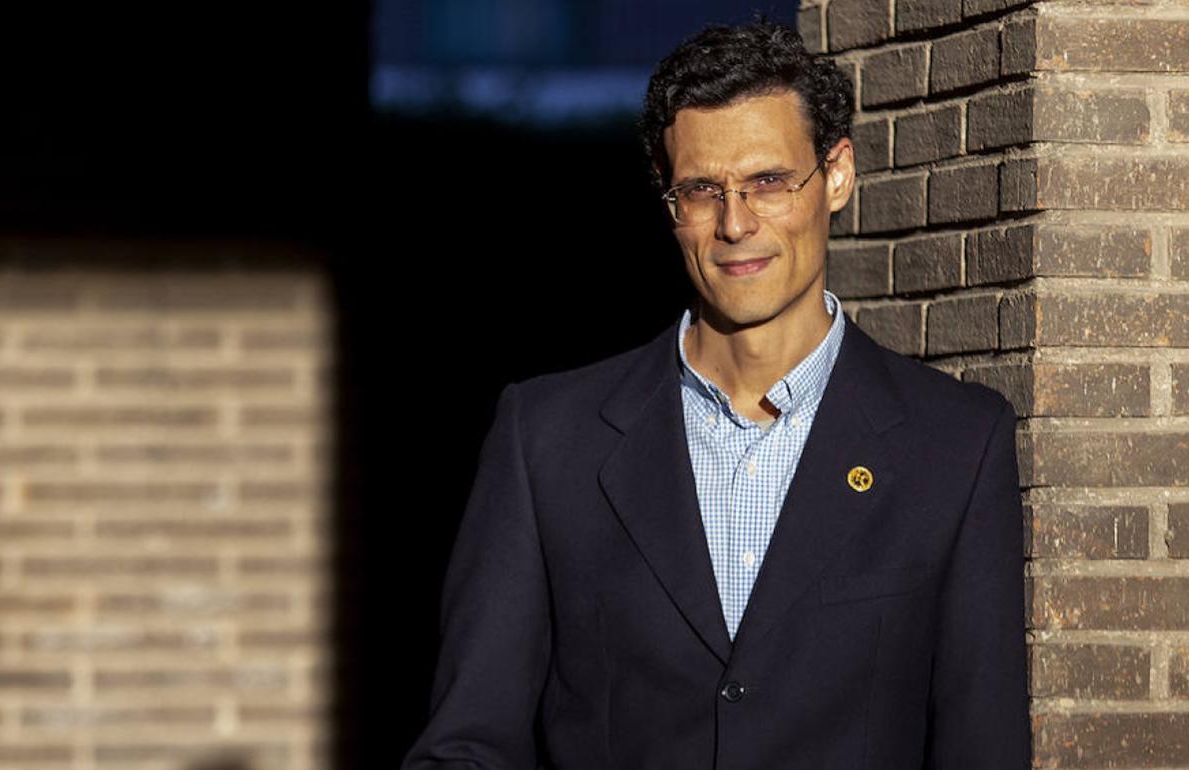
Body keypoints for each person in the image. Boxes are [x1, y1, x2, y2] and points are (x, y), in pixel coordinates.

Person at [402, 20, 1029, 770]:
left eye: (769, 181)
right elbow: (467, 745)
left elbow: (982, 748)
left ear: (836, 176)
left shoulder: (955, 446)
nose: (735, 223)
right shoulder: (546, 441)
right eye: (702, 190)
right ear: (671, 202)